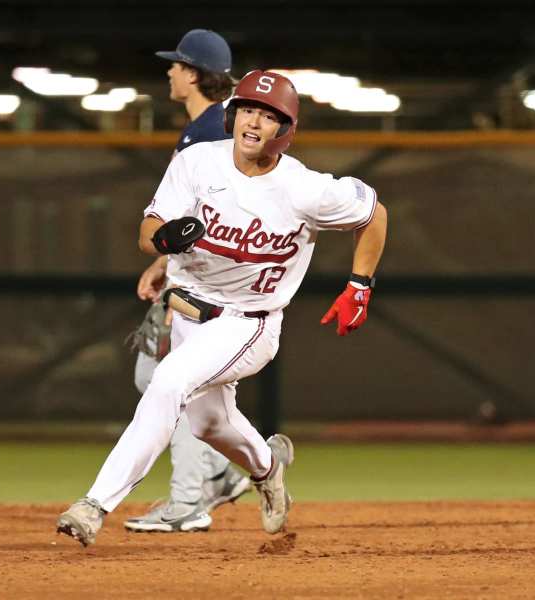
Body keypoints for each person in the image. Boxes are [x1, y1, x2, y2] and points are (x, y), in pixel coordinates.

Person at [58, 70, 388, 547]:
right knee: (210, 423)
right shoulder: (198, 162)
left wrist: (360, 285)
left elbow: (374, 213)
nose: (255, 122)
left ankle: (94, 505)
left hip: (247, 324)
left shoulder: (305, 188)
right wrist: (166, 238)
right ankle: (269, 469)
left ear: (285, 131)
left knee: (168, 381)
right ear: (233, 115)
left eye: (269, 116)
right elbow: (147, 231)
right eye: (249, 109)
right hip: (189, 315)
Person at [124, 29, 251, 534]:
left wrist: (184, 276)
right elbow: (190, 214)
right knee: (150, 378)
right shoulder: (206, 125)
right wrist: (162, 263)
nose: (170, 72)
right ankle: (218, 474)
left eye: (177, 65)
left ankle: (188, 500)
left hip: (208, 285)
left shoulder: (214, 129)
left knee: (177, 384)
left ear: (195, 73)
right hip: (189, 271)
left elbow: (223, 212)